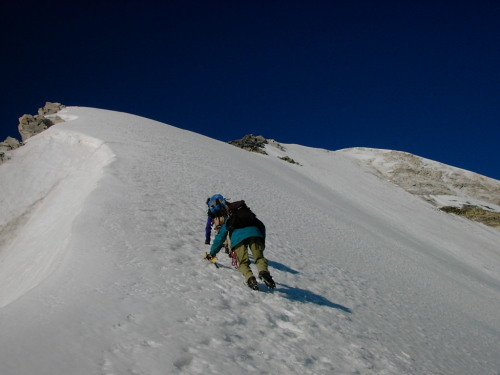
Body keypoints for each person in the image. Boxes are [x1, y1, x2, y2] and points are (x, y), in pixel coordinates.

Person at [206, 200, 275, 290]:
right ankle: (264, 272)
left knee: (243, 262)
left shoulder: (230, 219)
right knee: (259, 258)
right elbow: (262, 226)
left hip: (238, 238)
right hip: (255, 234)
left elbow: (220, 238)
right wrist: (261, 242)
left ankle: (250, 279)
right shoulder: (250, 216)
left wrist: (212, 253)